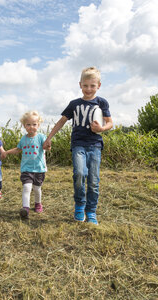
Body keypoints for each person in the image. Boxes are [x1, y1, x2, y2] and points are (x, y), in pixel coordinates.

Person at [43, 67, 113, 224]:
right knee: (80, 174)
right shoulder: (74, 104)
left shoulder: (102, 102)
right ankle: (80, 206)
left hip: (95, 145)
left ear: (99, 86)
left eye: (92, 86)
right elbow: (61, 121)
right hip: (78, 145)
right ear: (80, 85)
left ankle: (91, 211)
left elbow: (110, 123)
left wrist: (101, 128)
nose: (89, 89)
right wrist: (49, 137)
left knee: (94, 180)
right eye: (86, 85)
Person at [2, 111, 47, 218]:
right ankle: (25, 208)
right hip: (26, 169)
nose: (31, 127)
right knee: (27, 187)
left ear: (38, 125)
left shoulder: (41, 137)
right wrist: (6, 152)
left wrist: (48, 146)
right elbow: (18, 149)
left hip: (39, 169)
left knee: (37, 189)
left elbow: (46, 147)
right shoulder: (24, 138)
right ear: (24, 126)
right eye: (28, 124)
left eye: (34, 124)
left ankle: (38, 203)